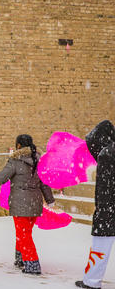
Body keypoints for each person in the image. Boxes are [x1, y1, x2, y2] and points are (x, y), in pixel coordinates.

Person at [0, 134, 55, 275]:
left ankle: (32, 264)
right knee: (25, 233)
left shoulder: (15, 160)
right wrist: (49, 199)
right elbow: (44, 183)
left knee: (24, 235)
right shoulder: (39, 160)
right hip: (35, 203)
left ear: (18, 145)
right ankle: (21, 259)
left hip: (21, 203)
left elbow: (2, 177)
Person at [76, 120, 115, 289]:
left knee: (100, 248)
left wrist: (102, 211)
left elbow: (105, 188)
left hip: (108, 210)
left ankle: (91, 281)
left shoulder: (107, 154)